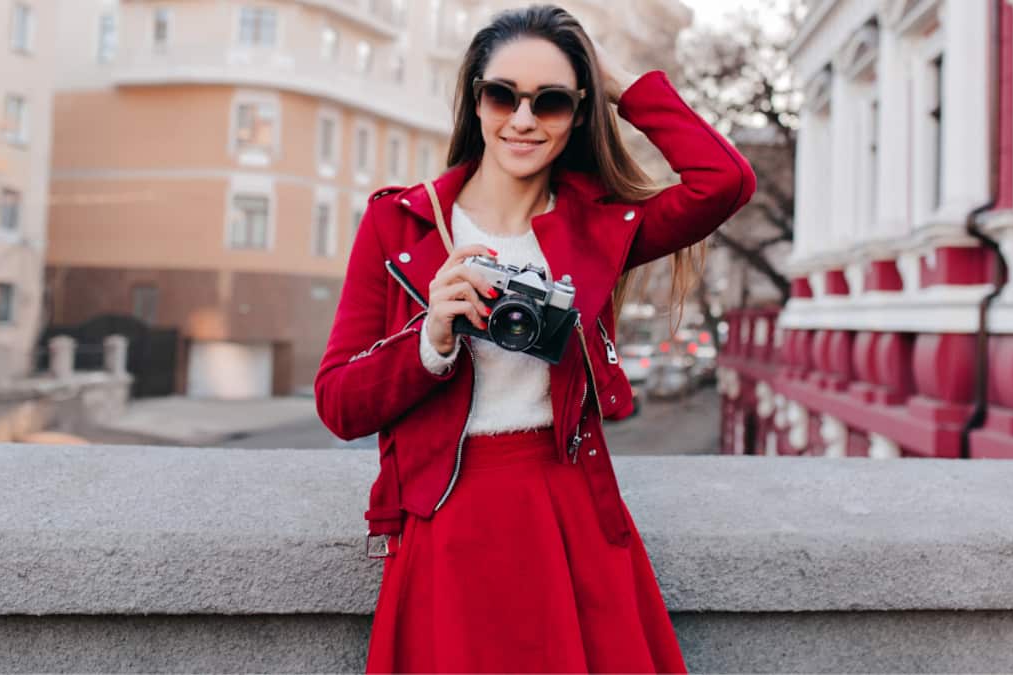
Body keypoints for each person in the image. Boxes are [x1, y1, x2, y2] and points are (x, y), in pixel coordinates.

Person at [314, 4, 756, 673]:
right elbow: (338, 402)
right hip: (449, 517)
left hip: (567, 509)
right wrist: (430, 337)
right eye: (503, 95)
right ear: (476, 100)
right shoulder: (399, 226)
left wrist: (617, 82)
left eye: (549, 101)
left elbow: (724, 181)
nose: (523, 119)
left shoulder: (597, 228)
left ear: (578, 114)